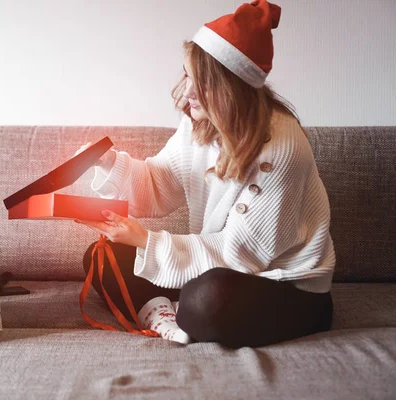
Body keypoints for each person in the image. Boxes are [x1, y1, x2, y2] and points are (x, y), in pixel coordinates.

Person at [74, 0, 335, 348]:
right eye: (188, 74)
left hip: (285, 285)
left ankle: (177, 311)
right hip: (221, 267)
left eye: (206, 84)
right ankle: (166, 317)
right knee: (101, 255)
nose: (189, 91)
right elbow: (158, 184)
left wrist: (144, 241)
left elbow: (242, 254)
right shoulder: (200, 122)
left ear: (235, 89)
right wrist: (108, 162)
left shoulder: (282, 148)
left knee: (205, 300)